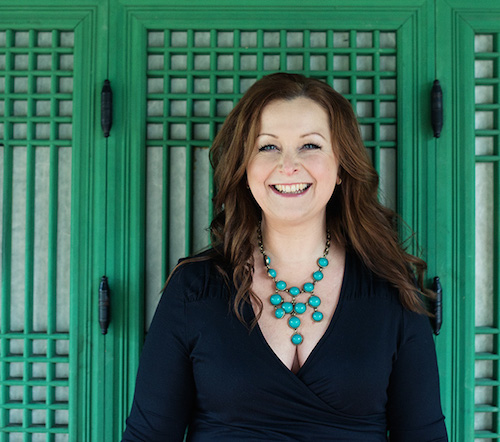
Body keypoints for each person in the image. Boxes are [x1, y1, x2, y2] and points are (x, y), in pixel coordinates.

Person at [122, 73, 448, 441]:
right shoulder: (194, 288)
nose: (288, 165)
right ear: (245, 168)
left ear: (341, 166)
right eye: (268, 147)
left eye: (310, 145)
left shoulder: (391, 287)